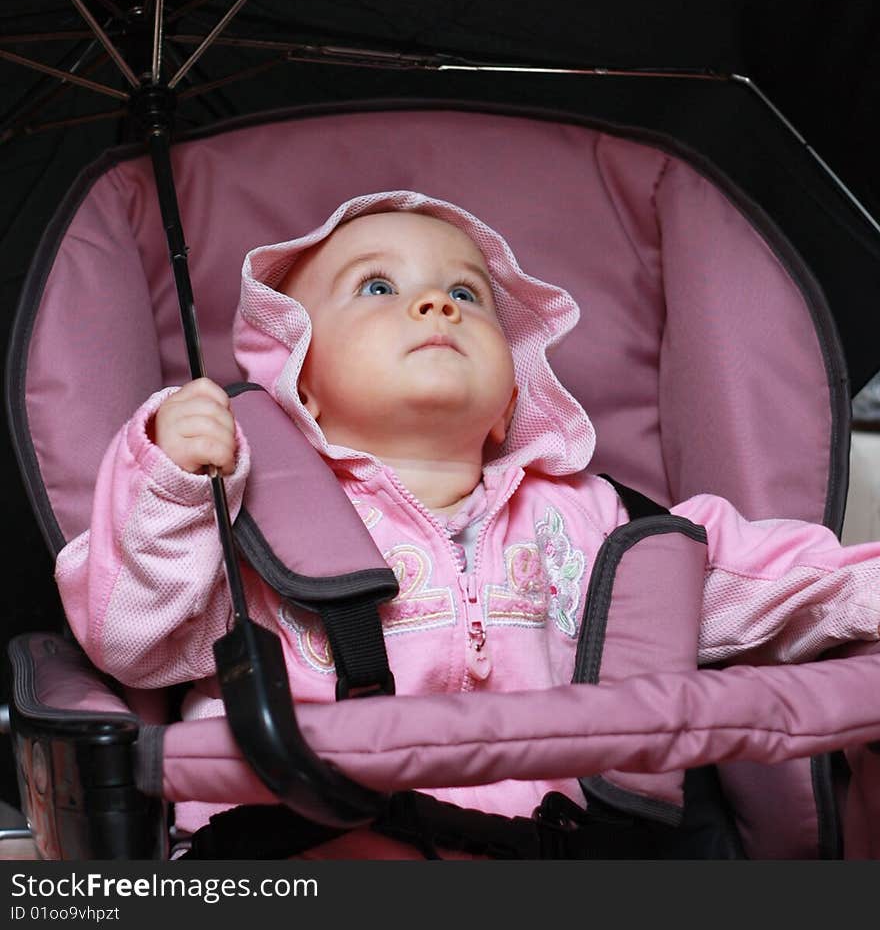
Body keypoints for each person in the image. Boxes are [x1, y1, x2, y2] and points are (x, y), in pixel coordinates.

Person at [55, 190, 880, 855]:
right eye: (379, 287)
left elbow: (791, 583)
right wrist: (169, 480)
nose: (434, 306)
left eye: (465, 294)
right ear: (298, 384)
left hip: (554, 847)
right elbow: (135, 640)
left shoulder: (594, 521)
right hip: (311, 833)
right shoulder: (241, 514)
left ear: (511, 402)